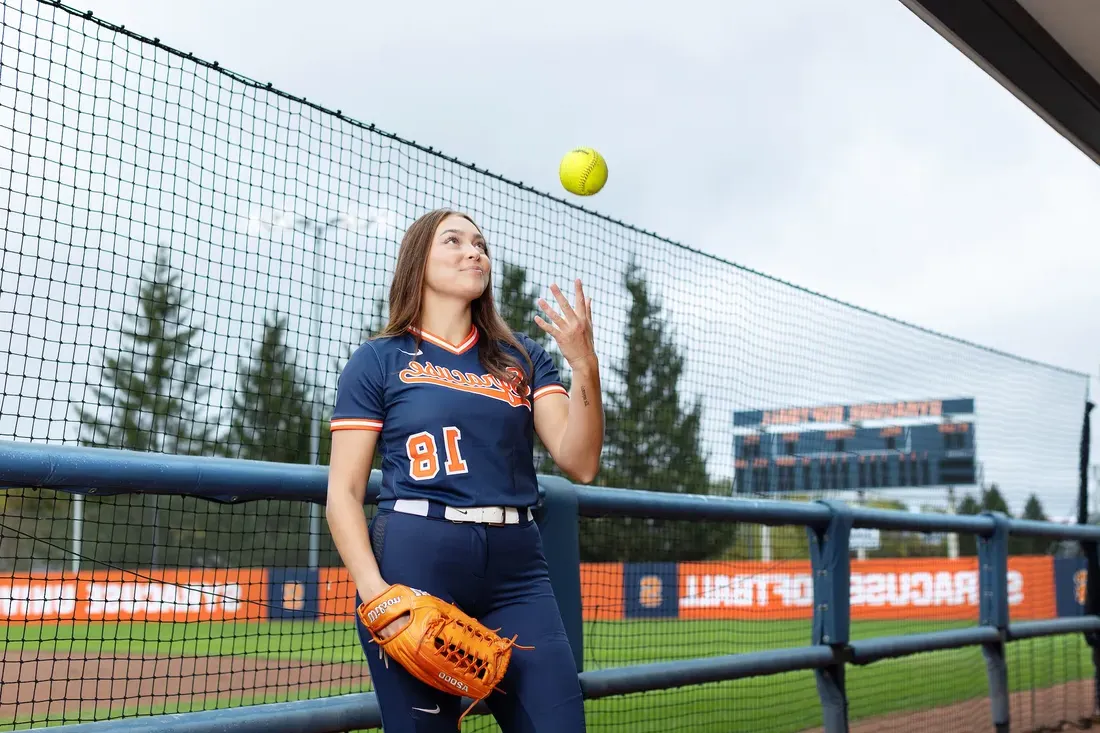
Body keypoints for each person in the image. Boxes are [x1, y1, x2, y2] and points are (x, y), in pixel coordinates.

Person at [324, 207, 604, 732]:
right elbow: (343, 493)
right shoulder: (379, 359)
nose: (474, 251)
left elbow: (581, 461)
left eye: (480, 243)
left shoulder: (522, 358)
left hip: (517, 570)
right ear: (417, 263)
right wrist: (377, 596)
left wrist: (584, 364)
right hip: (416, 559)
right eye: (453, 241)